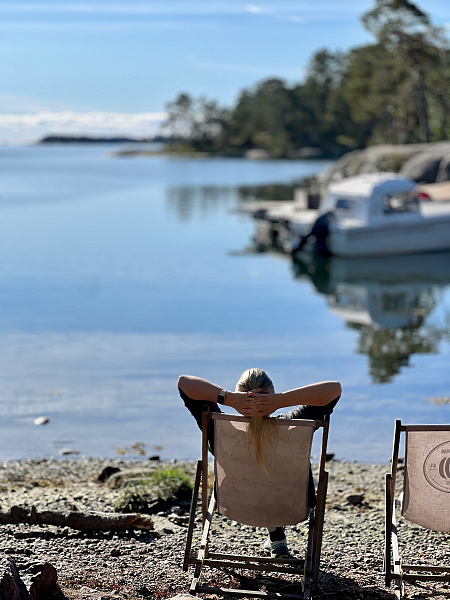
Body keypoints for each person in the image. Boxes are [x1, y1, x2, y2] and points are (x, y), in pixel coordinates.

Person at [178, 368, 341, 558]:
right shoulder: (294, 425)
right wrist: (281, 401)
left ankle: (277, 539)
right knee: (274, 476)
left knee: (260, 478)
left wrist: (228, 398)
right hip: (291, 505)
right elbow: (334, 390)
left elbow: (184, 383)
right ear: (271, 394)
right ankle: (277, 539)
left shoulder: (220, 431)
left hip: (235, 503)